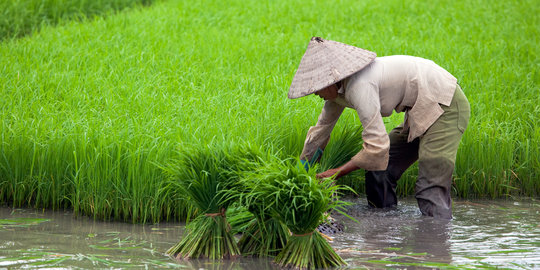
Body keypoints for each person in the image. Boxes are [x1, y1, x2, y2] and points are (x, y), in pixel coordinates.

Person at [289, 37, 470, 219]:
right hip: (420, 109)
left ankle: (436, 239)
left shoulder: (360, 86)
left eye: (316, 88)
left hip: (445, 104)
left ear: (330, 80)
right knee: (381, 170)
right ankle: (384, 227)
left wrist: (336, 173)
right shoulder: (336, 93)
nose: (315, 93)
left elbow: (377, 147)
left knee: (430, 187)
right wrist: (300, 173)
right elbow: (321, 131)